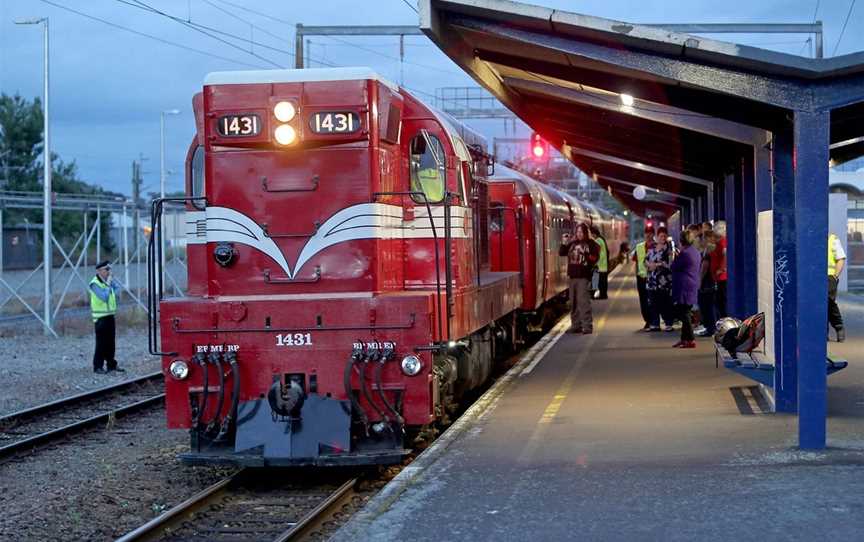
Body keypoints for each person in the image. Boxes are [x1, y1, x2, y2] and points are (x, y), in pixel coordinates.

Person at [560, 223, 600, 334]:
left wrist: (586, 254)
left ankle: (587, 326)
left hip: (583, 276)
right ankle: (576, 325)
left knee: (583, 302)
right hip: (572, 276)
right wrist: (564, 242)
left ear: (586, 233)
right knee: (573, 302)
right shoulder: (573, 243)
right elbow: (562, 252)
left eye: (581, 232)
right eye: (577, 232)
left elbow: (595, 258)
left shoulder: (591, 244)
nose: (579, 234)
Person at [90, 261, 124, 374]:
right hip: (100, 318)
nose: (108, 272)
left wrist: (111, 282)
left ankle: (111, 365)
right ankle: (97, 366)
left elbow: (117, 289)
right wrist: (109, 284)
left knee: (111, 343)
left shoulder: (107, 282)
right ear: (99, 271)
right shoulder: (94, 284)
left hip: (110, 316)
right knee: (101, 343)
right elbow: (104, 297)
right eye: (106, 269)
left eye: (109, 269)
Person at [671, 230, 701, 348]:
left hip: (684, 286)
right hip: (692, 284)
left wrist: (675, 256)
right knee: (686, 311)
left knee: (683, 313)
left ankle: (691, 339)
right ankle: (684, 339)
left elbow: (673, 267)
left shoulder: (684, 254)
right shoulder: (695, 252)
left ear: (681, 240)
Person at [646, 227, 675, 332]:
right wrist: (649, 265)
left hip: (664, 282)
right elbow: (646, 261)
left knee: (665, 302)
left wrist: (657, 265)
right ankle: (655, 323)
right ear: (657, 237)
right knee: (653, 303)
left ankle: (668, 323)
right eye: (661, 236)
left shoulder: (669, 250)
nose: (663, 238)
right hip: (652, 282)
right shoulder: (651, 248)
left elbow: (671, 264)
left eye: (664, 236)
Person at [695, 231, 718, 337]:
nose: (702, 241)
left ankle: (711, 328)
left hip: (707, 283)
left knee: (706, 306)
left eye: (703, 239)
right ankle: (709, 327)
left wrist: (699, 281)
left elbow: (705, 266)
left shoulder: (708, 250)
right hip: (709, 283)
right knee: (706, 306)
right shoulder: (708, 250)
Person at [632, 226, 654, 331]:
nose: (648, 235)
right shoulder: (639, 247)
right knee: (643, 301)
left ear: (653, 235)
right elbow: (636, 262)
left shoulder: (657, 246)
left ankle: (653, 321)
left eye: (650, 233)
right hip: (641, 278)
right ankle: (648, 321)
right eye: (647, 233)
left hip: (654, 278)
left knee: (653, 301)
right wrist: (636, 274)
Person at [828, 232, 846, 342]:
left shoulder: (832, 239)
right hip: (813, 278)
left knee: (828, 302)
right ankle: (822, 332)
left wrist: (835, 276)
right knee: (818, 304)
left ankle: (839, 326)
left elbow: (841, 258)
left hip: (829, 277)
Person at [711, 221, 728, 318]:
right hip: (718, 277)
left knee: (721, 301)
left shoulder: (723, 242)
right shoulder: (719, 242)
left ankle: (723, 320)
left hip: (722, 277)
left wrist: (721, 269)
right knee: (719, 301)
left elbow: (725, 255)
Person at [590, 226, 609, 300]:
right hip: (603, 265)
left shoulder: (597, 241)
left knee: (600, 282)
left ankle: (602, 295)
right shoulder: (601, 239)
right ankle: (603, 295)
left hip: (600, 265)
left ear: (594, 234)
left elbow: (596, 252)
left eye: (591, 235)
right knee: (603, 282)